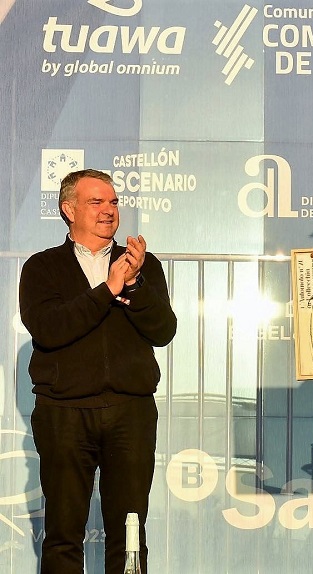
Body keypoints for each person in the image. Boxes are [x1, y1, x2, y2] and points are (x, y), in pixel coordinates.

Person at [19, 169, 177, 574]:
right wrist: (109, 289)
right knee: (63, 534)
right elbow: (50, 329)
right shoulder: (42, 267)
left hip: (130, 412)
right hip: (64, 414)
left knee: (130, 536)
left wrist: (134, 285)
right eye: (96, 201)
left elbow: (163, 331)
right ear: (68, 210)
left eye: (113, 202)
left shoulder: (142, 265)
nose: (109, 210)